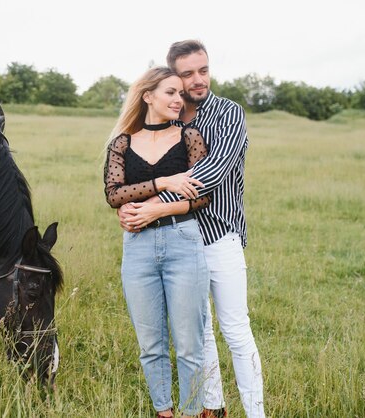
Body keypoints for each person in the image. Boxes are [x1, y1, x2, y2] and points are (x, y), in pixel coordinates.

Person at [118, 40, 266, 418]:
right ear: (174, 77)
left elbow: (212, 173)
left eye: (203, 70)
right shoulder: (172, 116)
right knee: (198, 333)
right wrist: (135, 205)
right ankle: (211, 408)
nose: (197, 80)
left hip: (220, 235)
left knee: (234, 328)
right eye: (187, 74)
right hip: (181, 238)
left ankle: (256, 412)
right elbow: (142, 169)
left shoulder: (229, 113)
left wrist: (151, 208)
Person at [104, 66, 211, 418]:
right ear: (148, 96)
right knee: (151, 345)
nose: (178, 100)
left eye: (180, 94)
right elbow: (114, 194)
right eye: (170, 92)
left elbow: (202, 196)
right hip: (137, 249)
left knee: (189, 346)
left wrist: (152, 210)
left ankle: (193, 411)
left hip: (184, 242)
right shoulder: (122, 142)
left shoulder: (189, 137)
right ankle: (163, 411)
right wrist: (164, 182)